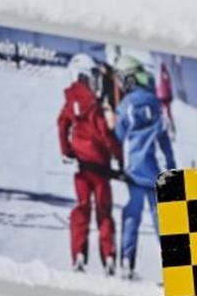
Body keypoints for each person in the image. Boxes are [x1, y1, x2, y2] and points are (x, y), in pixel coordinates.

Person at [57, 53, 124, 275]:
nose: (94, 82)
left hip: (82, 169)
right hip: (101, 171)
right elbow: (105, 135)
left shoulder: (70, 101)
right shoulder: (94, 107)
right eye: (91, 77)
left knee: (82, 208)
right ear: (83, 76)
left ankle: (78, 253)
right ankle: (109, 256)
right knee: (104, 213)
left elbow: (62, 123)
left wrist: (66, 150)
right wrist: (120, 158)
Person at [113, 55, 176, 279]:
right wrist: (171, 169)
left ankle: (126, 263)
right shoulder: (154, 103)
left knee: (132, 214)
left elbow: (118, 137)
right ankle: (174, 268)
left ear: (129, 80)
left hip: (134, 171)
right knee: (162, 219)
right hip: (156, 172)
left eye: (121, 80)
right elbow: (165, 141)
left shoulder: (125, 105)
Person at [157, 59, 176, 139]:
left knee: (166, 114)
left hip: (164, 97)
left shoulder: (164, 76)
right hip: (164, 97)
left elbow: (167, 85)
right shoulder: (165, 76)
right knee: (166, 114)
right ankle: (169, 130)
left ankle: (169, 130)